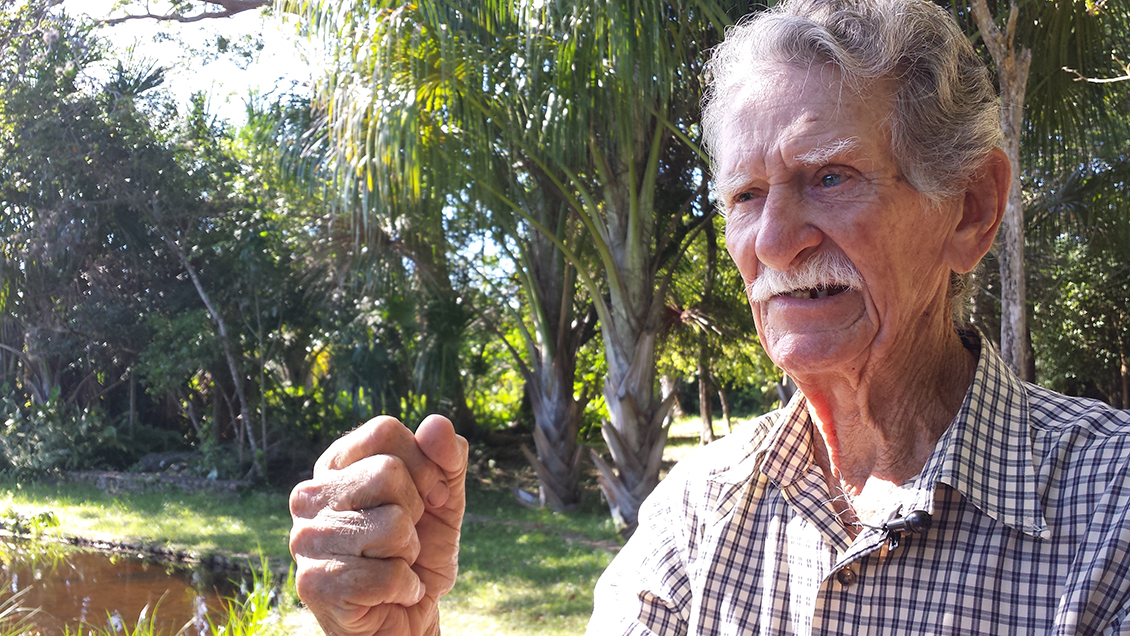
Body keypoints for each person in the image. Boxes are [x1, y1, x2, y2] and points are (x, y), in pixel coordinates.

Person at [288, 0, 1130, 634]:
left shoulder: (1110, 515)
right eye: (746, 196)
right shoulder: (697, 514)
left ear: (972, 209)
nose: (773, 241)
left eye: (830, 177)